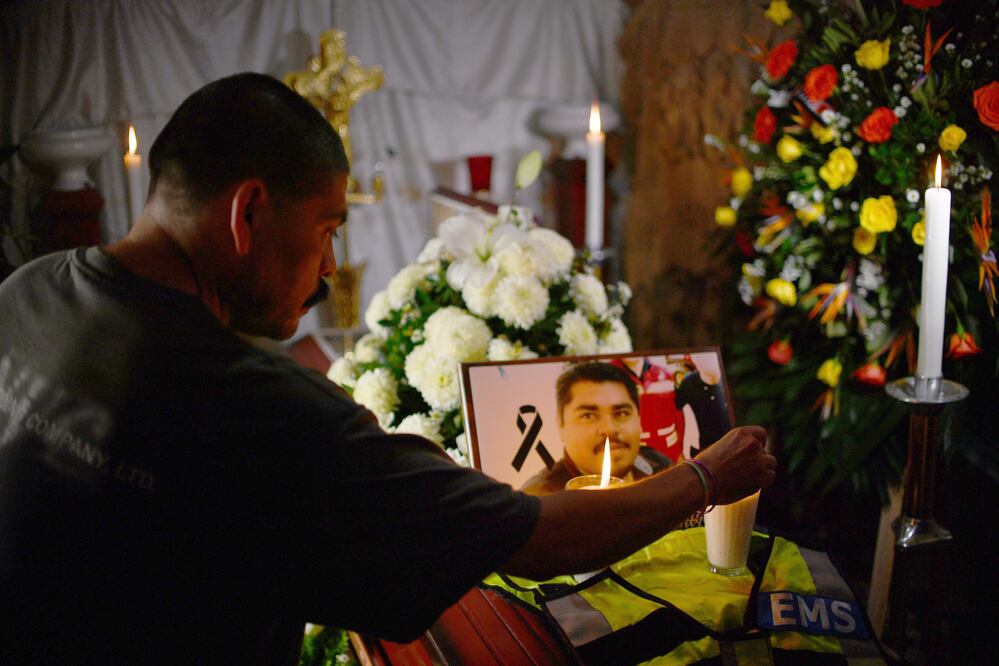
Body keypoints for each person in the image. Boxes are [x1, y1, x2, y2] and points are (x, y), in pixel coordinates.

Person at [0, 72, 776, 664]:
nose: (330, 264)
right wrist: (706, 476)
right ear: (249, 213)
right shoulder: (253, 403)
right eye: (327, 227)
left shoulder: (30, 289)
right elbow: (538, 544)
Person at [520, 362, 671, 496]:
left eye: (621, 413)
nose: (609, 429)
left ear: (639, 419)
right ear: (561, 425)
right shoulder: (540, 501)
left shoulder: (660, 467)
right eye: (588, 416)